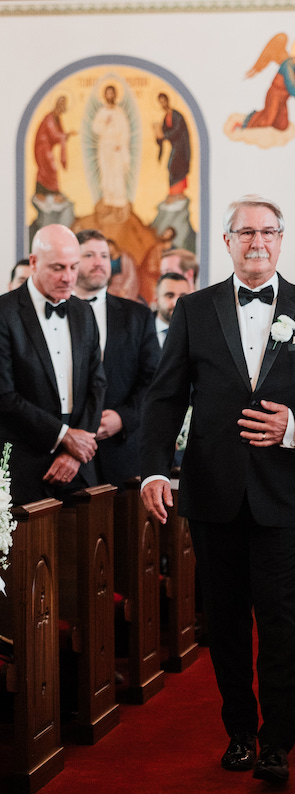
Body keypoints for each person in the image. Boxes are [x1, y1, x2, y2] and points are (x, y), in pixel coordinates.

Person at [139, 195, 295, 786]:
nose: (257, 242)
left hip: (282, 490)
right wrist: (155, 470)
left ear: (281, 239)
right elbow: (164, 397)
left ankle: (277, 741)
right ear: (228, 241)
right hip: (212, 490)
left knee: (280, 616)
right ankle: (239, 731)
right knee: (226, 621)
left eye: (267, 232)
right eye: (245, 233)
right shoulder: (194, 309)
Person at [0, 224, 105, 506]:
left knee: (89, 547)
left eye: (73, 267)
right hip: (25, 463)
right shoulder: (4, 313)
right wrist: (63, 437)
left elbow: (97, 384)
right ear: (33, 262)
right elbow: (5, 396)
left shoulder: (84, 312)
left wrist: (74, 450)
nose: (68, 277)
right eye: (58, 268)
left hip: (81, 463)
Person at [74, 230, 160, 490]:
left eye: (104, 255)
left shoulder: (138, 316)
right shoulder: (57, 312)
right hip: (66, 453)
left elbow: (154, 380)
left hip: (121, 453)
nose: (99, 262)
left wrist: (124, 418)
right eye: (89, 255)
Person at [243, 43, 295, 131]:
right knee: (267, 121)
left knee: (282, 126)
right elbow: (292, 87)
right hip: (275, 95)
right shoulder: (288, 64)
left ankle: (266, 114)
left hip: (283, 98)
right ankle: (250, 119)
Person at [91, 85, 130, 208]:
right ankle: (108, 198)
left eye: (112, 93)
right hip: (105, 146)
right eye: (107, 93)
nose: (110, 96)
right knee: (106, 172)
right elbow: (95, 128)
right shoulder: (102, 112)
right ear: (105, 96)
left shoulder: (120, 112)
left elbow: (125, 130)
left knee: (117, 172)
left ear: (115, 95)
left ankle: (118, 199)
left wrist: (120, 143)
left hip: (117, 147)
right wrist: (105, 123)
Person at [34, 95, 76, 202]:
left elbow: (60, 135)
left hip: (47, 148)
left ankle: (43, 192)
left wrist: (67, 135)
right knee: (51, 167)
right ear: (58, 106)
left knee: (46, 169)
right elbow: (54, 135)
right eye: (62, 106)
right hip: (42, 147)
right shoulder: (49, 118)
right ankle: (51, 193)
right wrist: (66, 135)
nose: (63, 108)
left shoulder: (57, 118)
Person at [154, 93, 191, 202]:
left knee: (173, 167)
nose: (162, 104)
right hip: (175, 147)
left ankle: (177, 193)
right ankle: (174, 193)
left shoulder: (177, 115)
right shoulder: (166, 117)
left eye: (163, 101)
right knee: (172, 168)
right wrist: (158, 134)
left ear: (168, 100)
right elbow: (164, 132)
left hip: (182, 147)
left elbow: (177, 131)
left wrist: (163, 135)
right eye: (160, 102)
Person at [153, 271, 189, 348]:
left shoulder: (196, 333)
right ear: (156, 299)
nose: (176, 303)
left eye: (182, 297)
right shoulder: (140, 330)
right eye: (169, 296)